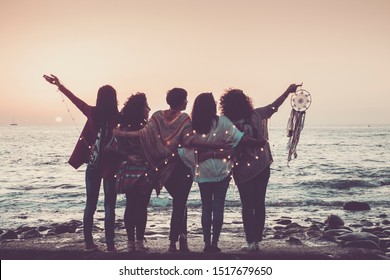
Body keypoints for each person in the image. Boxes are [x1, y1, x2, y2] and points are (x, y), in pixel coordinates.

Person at [219, 84, 301, 252]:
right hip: (262, 165)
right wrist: (288, 91)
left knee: (247, 205)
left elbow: (223, 144)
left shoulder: (226, 123)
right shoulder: (257, 114)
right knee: (259, 203)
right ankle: (256, 240)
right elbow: (275, 105)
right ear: (245, 102)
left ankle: (251, 242)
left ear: (226, 104)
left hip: (241, 169)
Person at [43, 74, 119, 252]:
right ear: (114, 99)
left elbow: (74, 100)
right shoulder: (119, 118)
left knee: (90, 205)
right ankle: (110, 245)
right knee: (110, 205)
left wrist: (59, 85)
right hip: (110, 168)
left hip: (92, 166)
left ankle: (89, 244)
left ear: (99, 98)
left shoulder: (92, 112)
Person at [178, 93, 245, 252]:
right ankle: (215, 243)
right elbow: (237, 138)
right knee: (219, 206)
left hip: (204, 171)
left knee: (206, 207)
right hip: (222, 170)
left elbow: (187, 148)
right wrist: (222, 150)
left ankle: (207, 243)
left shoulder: (194, 125)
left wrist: (206, 152)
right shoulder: (222, 122)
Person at [106, 93, 159, 252]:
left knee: (130, 206)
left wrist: (127, 156)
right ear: (139, 108)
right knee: (142, 207)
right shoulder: (146, 128)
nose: (148, 108)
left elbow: (111, 148)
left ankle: (130, 243)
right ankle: (139, 243)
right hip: (144, 173)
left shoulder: (122, 128)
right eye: (146, 105)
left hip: (127, 173)